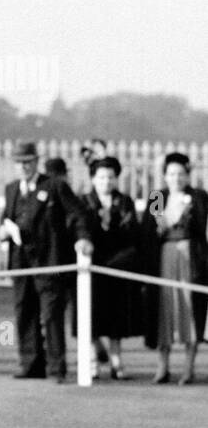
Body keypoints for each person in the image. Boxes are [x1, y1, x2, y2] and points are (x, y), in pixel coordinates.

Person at [0, 141, 92, 381]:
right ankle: (30, 364)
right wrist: (4, 230)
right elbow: (5, 219)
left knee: (51, 315)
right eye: (19, 163)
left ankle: (56, 366)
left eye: (28, 162)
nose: (24, 167)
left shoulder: (54, 186)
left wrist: (82, 239)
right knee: (24, 313)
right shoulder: (11, 189)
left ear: (36, 162)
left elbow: (77, 214)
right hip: (21, 262)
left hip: (49, 262)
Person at [140, 152, 208, 384]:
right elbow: (148, 232)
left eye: (180, 173)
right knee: (164, 308)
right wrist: (159, 226)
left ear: (188, 175)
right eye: (171, 173)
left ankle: (189, 366)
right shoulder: (158, 197)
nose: (176, 178)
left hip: (191, 258)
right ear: (165, 175)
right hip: (165, 257)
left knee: (190, 307)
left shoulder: (198, 197)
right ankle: (163, 365)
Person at [78, 156, 143, 379]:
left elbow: (132, 231)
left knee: (116, 316)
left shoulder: (125, 202)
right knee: (89, 313)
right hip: (90, 266)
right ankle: (93, 358)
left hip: (116, 265)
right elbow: (79, 229)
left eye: (111, 177)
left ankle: (117, 360)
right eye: (102, 177)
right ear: (94, 179)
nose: (106, 182)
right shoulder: (84, 202)